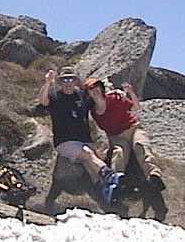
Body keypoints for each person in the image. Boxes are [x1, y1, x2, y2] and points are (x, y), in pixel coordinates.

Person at [38, 67, 123, 206]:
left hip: (85, 141)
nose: (68, 82)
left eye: (71, 79)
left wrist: (115, 93)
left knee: (92, 173)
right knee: (88, 155)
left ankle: (108, 202)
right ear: (60, 82)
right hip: (65, 142)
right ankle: (110, 176)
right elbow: (43, 101)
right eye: (64, 79)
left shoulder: (82, 96)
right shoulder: (55, 96)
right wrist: (47, 82)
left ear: (76, 81)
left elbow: (99, 101)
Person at [84, 78, 167, 218]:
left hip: (133, 129)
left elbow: (135, 107)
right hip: (117, 137)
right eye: (91, 89)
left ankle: (154, 176)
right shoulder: (93, 111)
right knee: (118, 153)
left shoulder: (115, 98)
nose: (95, 90)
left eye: (97, 87)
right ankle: (116, 182)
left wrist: (130, 93)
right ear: (88, 94)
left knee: (140, 146)